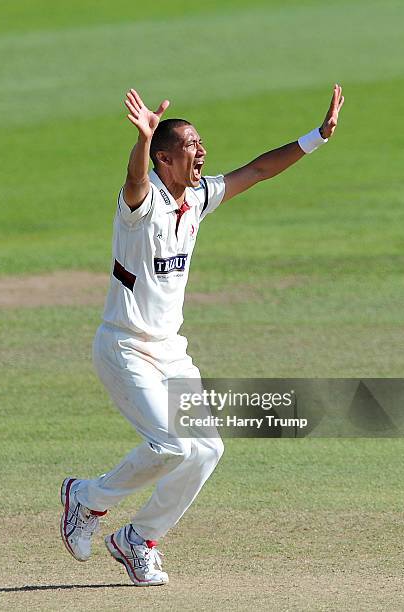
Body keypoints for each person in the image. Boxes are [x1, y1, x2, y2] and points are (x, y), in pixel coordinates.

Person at [60, 85, 345, 586]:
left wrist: (317, 137)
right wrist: (143, 139)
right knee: (172, 446)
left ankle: (138, 539)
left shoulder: (197, 197)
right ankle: (87, 498)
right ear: (164, 158)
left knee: (207, 449)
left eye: (200, 143)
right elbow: (133, 180)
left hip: (170, 351)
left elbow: (256, 170)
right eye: (191, 145)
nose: (202, 152)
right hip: (125, 346)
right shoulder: (140, 205)